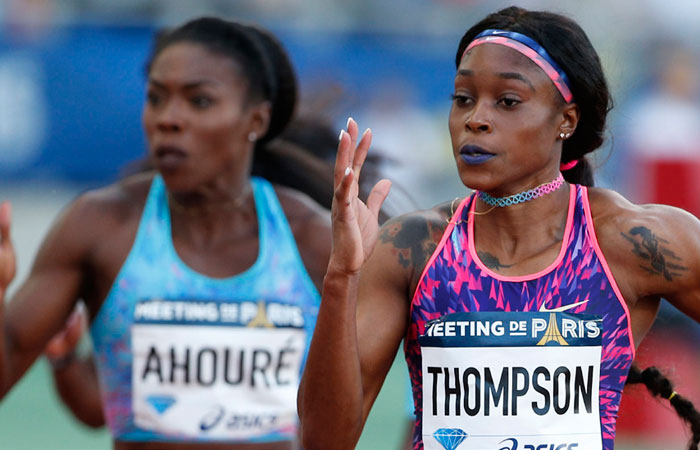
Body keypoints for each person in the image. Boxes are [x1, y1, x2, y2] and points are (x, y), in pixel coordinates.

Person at [298, 6, 700, 450]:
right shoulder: (412, 249)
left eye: (507, 101)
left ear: (566, 120)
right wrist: (342, 276)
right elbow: (323, 440)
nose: (476, 119)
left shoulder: (631, 240)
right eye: (463, 98)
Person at [0, 17, 332, 449]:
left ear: (256, 119)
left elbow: (347, 423)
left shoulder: (312, 240)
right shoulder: (99, 227)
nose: (168, 119)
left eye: (199, 101)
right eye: (156, 98)